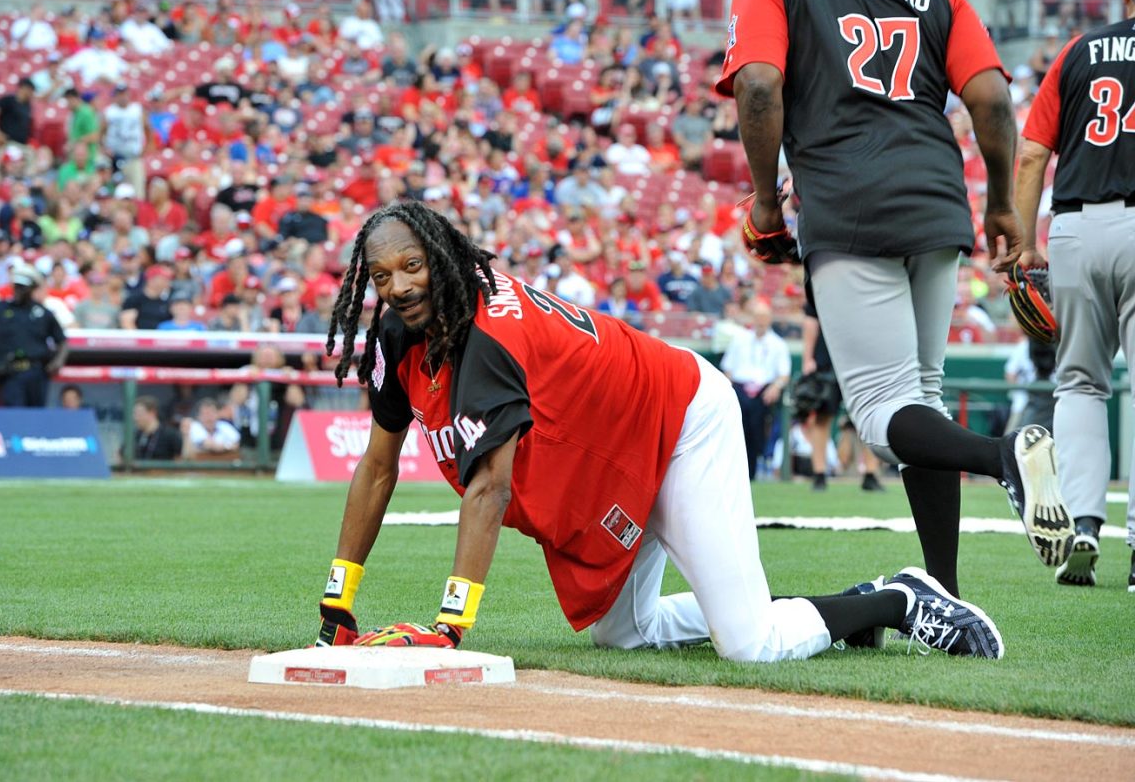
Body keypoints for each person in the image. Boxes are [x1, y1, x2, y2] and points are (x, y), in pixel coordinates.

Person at [310, 200, 1005, 661]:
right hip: (617, 446)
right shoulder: (402, 336)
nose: (398, 286)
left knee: (749, 644)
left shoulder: (487, 337)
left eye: (412, 265)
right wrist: (337, 598)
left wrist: (449, 627)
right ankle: (842, 610)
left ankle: (901, 598)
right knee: (624, 634)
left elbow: (489, 489)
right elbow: (377, 466)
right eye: (381, 275)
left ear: (443, 255)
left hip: (677, 422)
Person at [716, 0, 1073, 594]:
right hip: (935, 197)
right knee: (921, 399)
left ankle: (1003, 458)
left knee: (882, 415)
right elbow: (989, 97)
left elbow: (756, 86)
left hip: (846, 195)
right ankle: (946, 592)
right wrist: (999, 203)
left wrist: (770, 203)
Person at [1015, 0, 1135, 590]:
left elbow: (1033, 153)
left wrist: (1021, 241)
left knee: (1082, 383)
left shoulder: (1078, 51)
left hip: (1076, 228)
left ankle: (1085, 522)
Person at [799, 302, 883, 493]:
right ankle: (819, 473)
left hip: (861, 358)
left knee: (867, 417)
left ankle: (870, 472)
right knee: (822, 418)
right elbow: (811, 321)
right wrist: (807, 359)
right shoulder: (820, 278)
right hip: (827, 359)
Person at [0, 263, 68, 407]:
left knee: (36, 418)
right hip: (9, 372)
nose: (18, 291)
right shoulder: (0, 309)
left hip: (37, 372)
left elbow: (62, 340)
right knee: (13, 416)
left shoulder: (43, 313)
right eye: (17, 286)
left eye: (23, 287)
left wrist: (58, 362)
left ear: (32, 288)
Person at [720, 300, 790, 479]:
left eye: (764, 317)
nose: (761, 321)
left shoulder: (778, 344)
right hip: (740, 388)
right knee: (740, 424)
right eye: (758, 317)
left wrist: (775, 387)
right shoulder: (740, 339)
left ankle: (759, 463)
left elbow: (783, 374)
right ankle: (739, 466)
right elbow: (728, 368)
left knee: (759, 424)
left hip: (764, 391)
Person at [131, 394, 182, 460]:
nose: (135, 418)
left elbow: (180, 459)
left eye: (139, 414)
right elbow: (121, 454)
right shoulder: (136, 435)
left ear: (152, 413)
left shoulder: (170, 435)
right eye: (134, 414)